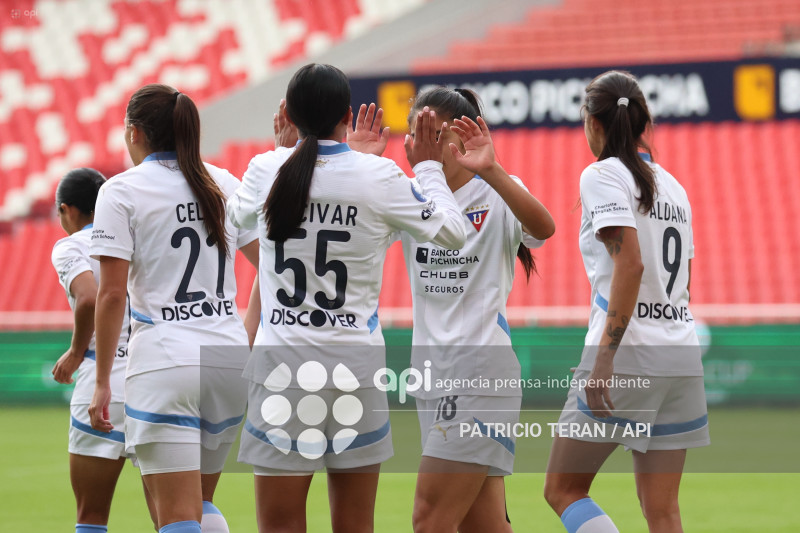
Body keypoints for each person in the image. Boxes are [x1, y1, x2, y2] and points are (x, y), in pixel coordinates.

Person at [227, 63, 467, 533]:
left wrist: (282, 153)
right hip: (355, 371)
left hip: (282, 372)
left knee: (279, 526)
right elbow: (454, 233)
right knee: (355, 525)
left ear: (289, 115)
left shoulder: (265, 169)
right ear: (346, 115)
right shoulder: (379, 176)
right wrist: (429, 168)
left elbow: (236, 221)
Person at [88, 84, 259, 533]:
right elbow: (274, 268)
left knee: (177, 516)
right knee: (199, 507)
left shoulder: (120, 191)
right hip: (228, 360)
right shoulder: (223, 183)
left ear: (135, 132)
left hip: (165, 360)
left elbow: (111, 295)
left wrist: (102, 381)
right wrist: (245, 332)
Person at [543, 71, 709, 533]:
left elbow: (630, 265)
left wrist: (604, 358)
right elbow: (684, 282)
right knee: (663, 510)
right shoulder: (674, 187)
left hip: (629, 354)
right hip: (680, 354)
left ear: (594, 124)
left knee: (563, 489)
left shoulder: (601, 174)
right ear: (642, 122)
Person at [389, 87, 555, 533]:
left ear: (462, 138)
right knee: (482, 525)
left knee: (429, 519)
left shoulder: (496, 191)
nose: (425, 144)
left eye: (435, 133)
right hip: (431, 377)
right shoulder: (410, 196)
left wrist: (493, 169)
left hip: (480, 374)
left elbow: (543, 228)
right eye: (417, 133)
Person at [52, 168, 155, 533]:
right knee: (176, 516)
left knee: (91, 517)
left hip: (103, 378)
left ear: (67, 210)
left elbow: (88, 298)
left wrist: (76, 351)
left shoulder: (70, 246)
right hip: (151, 376)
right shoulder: (139, 237)